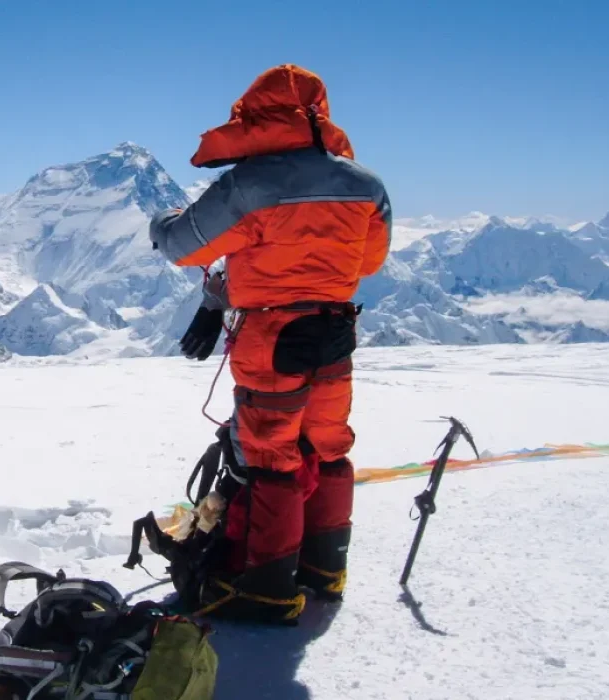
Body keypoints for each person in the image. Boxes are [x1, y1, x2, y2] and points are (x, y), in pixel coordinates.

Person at [148, 64, 391, 623]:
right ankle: (325, 569)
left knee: (271, 459)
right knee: (328, 445)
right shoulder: (365, 185)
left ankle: (265, 588)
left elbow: (185, 244)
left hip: (272, 337)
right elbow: (369, 261)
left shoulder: (251, 185)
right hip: (336, 331)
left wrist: (163, 221)